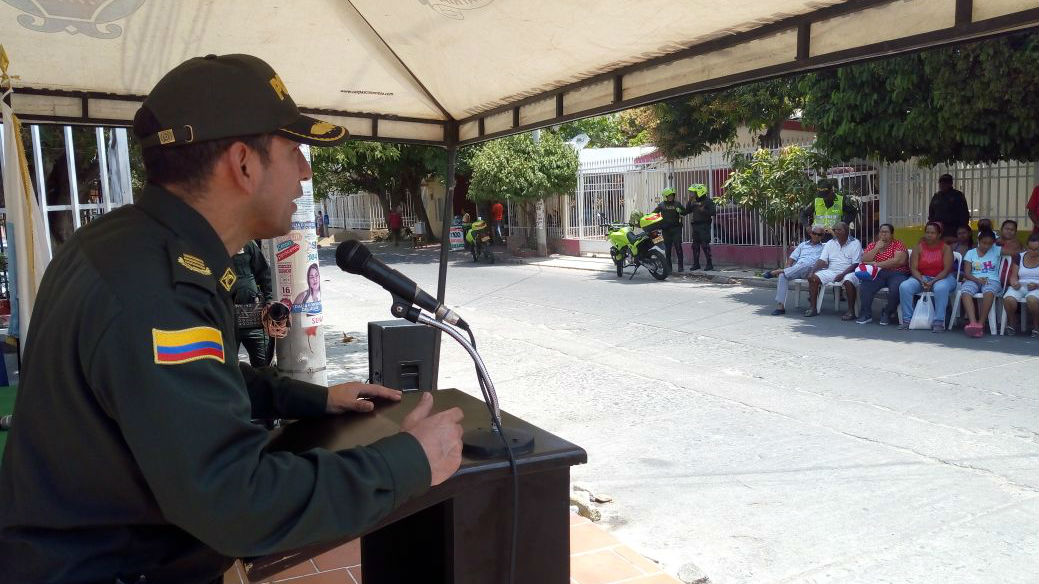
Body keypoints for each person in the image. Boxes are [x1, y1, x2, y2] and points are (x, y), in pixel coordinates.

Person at [0, 54, 464, 583]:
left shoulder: (127, 245)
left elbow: (186, 385)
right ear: (244, 164)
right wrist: (408, 462)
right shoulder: (160, 289)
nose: (306, 172)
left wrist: (312, 398)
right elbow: (236, 503)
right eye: (294, 151)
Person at [899, 221, 957, 332]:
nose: (929, 235)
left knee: (941, 288)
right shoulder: (918, 248)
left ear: (939, 234)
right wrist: (922, 280)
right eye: (927, 232)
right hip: (922, 277)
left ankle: (938, 322)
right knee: (905, 286)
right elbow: (913, 268)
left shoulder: (946, 248)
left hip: (942, 278)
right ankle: (907, 320)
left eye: (933, 233)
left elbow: (946, 270)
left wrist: (932, 281)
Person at [762, 225, 826, 315]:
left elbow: (823, 261)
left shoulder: (825, 247)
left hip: (812, 272)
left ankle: (777, 271)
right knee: (783, 276)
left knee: (807, 264)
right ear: (811, 233)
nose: (816, 236)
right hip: (797, 269)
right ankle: (780, 307)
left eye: (819, 234)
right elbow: (792, 258)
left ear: (822, 236)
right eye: (814, 233)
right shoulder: (803, 245)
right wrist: (788, 267)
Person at [854, 224, 910, 325]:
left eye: (886, 232)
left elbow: (898, 261)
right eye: (881, 232)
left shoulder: (898, 244)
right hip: (878, 273)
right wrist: (876, 248)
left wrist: (876, 264)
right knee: (865, 286)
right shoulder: (873, 245)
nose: (883, 234)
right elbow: (864, 260)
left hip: (897, 272)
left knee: (896, 288)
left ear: (892, 234)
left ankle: (887, 312)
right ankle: (866, 314)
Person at [804, 222, 862, 317]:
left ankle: (851, 311)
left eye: (839, 230)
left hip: (849, 271)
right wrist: (812, 271)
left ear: (847, 231)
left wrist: (842, 274)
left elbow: (856, 264)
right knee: (813, 278)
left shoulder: (855, 243)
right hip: (832, 271)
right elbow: (822, 260)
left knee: (848, 280)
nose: (836, 232)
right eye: (835, 230)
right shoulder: (830, 243)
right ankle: (813, 308)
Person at [231, 240, 273, 366]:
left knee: (263, 366)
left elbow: (264, 273)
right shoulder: (211, 244)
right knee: (227, 367)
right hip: (227, 320)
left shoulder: (247, 243)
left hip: (253, 317)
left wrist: (269, 300)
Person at [958, 229, 1003, 338]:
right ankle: (973, 322)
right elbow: (967, 273)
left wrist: (1001, 240)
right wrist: (977, 280)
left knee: (989, 292)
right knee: (965, 292)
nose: (986, 246)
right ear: (978, 240)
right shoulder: (970, 253)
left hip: (992, 280)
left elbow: (1015, 252)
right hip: (973, 279)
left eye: (990, 243)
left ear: (994, 242)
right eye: (984, 243)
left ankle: (981, 323)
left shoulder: (997, 250)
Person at [1002, 232, 1039, 336]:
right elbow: (1014, 275)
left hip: (1037, 287)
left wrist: (1037, 285)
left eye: (1036, 249)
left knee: (1032, 299)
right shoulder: (1019, 256)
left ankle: (1036, 326)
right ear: (1027, 246)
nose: (1033, 252)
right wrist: (1014, 282)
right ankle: (1012, 323)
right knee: (1008, 298)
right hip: (1021, 285)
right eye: (1031, 249)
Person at [927, 174, 969, 241]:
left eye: (945, 182)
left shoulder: (957, 195)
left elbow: (964, 213)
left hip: (953, 227)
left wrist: (962, 226)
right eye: (941, 182)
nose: (942, 184)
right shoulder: (936, 196)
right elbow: (931, 212)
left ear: (950, 184)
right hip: (938, 227)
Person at [653, 187, 686, 272]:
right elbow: (653, 214)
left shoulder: (677, 204)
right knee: (667, 250)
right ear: (665, 196)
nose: (671, 197)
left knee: (678, 247)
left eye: (672, 195)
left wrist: (681, 211)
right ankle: (669, 267)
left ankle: (680, 266)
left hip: (676, 229)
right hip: (666, 230)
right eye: (669, 196)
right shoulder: (661, 205)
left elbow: (685, 212)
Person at [685, 183, 716, 271]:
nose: (691, 194)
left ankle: (709, 264)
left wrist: (704, 211)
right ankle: (696, 264)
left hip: (704, 226)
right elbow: (687, 211)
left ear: (699, 192)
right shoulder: (694, 201)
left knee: (705, 245)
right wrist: (689, 201)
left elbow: (713, 212)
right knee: (695, 246)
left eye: (693, 192)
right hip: (695, 226)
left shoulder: (708, 201)